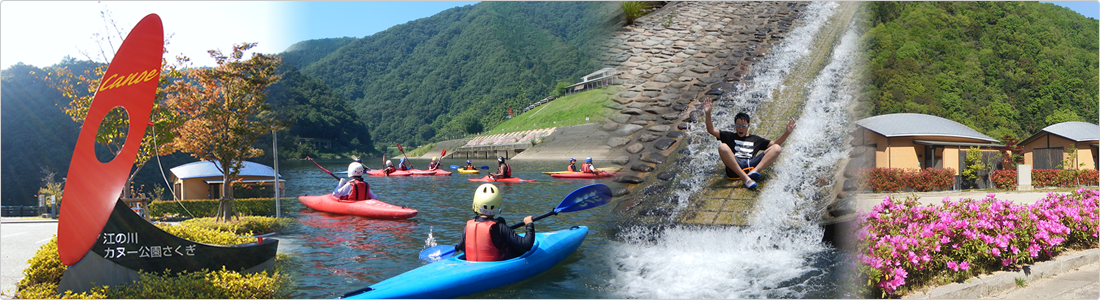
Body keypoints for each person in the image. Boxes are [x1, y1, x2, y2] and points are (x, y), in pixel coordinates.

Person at [703, 97, 795, 189]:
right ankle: (745, 179)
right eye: (738, 126)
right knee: (722, 146)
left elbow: (775, 143)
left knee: (777, 148)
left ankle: (754, 172)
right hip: (735, 166)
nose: (740, 128)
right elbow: (711, 130)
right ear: (735, 126)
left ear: (748, 126)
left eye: (743, 126)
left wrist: (787, 133)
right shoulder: (729, 136)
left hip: (750, 165)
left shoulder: (755, 139)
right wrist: (708, 113)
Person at [454, 183, 534, 261]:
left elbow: (462, 247)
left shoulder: (468, 226)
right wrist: (529, 224)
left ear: (476, 203)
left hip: (471, 265)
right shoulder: (500, 228)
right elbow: (527, 245)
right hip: (494, 267)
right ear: (498, 204)